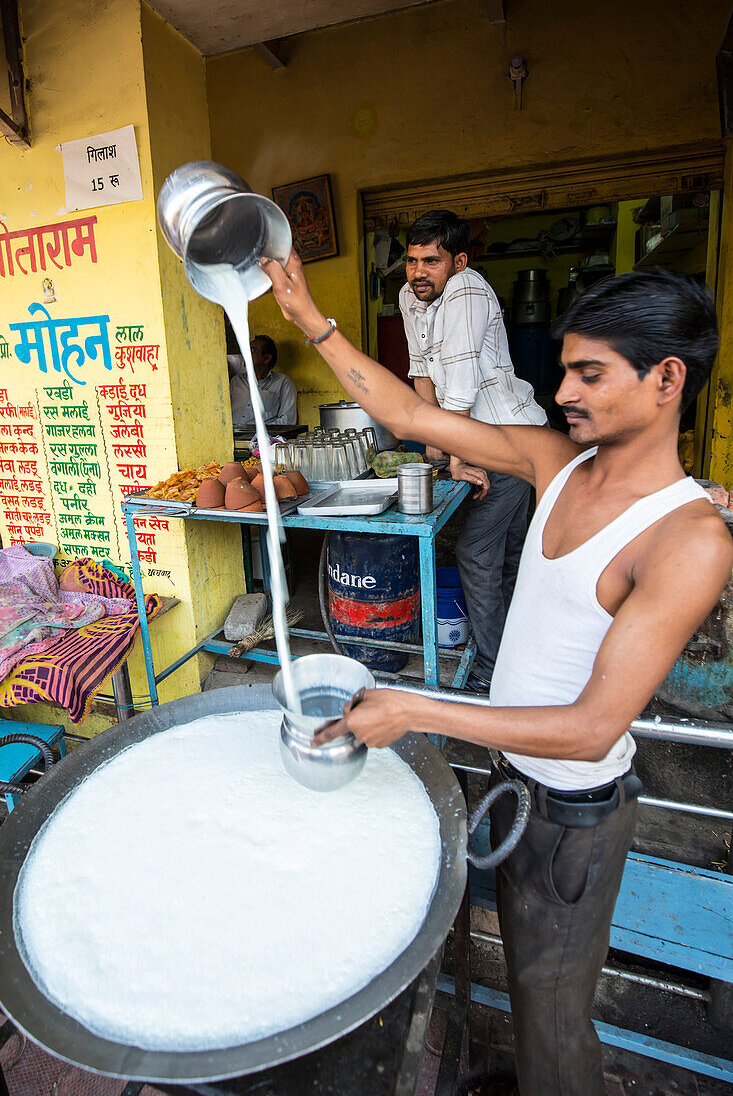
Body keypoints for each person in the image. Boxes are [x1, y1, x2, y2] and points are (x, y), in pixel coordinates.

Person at [261, 250, 732, 1096]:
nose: (564, 394)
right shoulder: (557, 464)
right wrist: (305, 316)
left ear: (666, 378)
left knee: (551, 1025)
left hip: (572, 821)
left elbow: (593, 728)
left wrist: (416, 710)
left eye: (589, 374)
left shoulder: (685, 538)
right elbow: (407, 411)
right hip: (512, 778)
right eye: (564, 373)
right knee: (518, 984)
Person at [399, 210, 547, 694]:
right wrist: (434, 450)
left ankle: (491, 670)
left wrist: (457, 454)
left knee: (476, 550)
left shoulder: (465, 287)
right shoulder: (411, 297)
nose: (419, 272)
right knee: (508, 552)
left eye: (432, 261)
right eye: (412, 260)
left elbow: (459, 381)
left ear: (458, 261)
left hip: (511, 440)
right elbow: (423, 377)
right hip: (480, 438)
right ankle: (514, 653)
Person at [227, 324, 297, 429]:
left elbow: (287, 421)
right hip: (232, 439)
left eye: (252, 350)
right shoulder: (236, 381)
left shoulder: (283, 383)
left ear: (267, 358)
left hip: (264, 441)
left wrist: (258, 434)